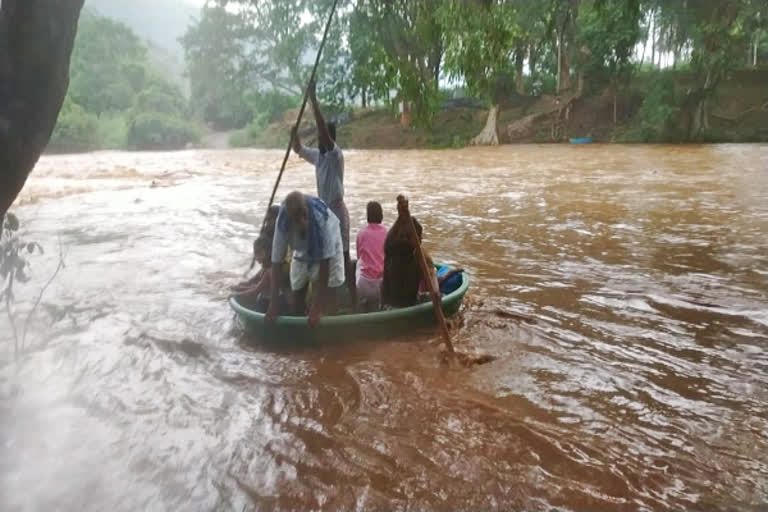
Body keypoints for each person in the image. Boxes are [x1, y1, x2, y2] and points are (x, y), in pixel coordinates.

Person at [290, 79, 354, 305]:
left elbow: (323, 132)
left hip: (337, 208)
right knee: (326, 254)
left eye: (322, 137)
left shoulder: (335, 155)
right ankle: (326, 296)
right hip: (324, 212)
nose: (319, 139)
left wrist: (313, 99)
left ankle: (352, 300)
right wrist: (294, 136)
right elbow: (298, 149)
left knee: (344, 256)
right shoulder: (318, 156)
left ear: (330, 139)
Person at [266, 191, 344, 326]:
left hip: (328, 246)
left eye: (304, 217)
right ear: (291, 219)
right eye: (297, 220)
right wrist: (273, 304)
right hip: (301, 249)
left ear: (307, 211)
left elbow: (325, 267)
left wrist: (317, 307)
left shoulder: (321, 219)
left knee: (330, 292)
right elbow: (276, 263)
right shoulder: (283, 222)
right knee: (297, 291)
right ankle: (301, 323)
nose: (302, 222)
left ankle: (331, 326)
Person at [381, 195, 434, 308]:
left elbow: (432, 281)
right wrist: (401, 217)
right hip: (403, 305)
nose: (421, 240)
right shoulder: (397, 253)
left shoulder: (391, 250)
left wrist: (401, 216)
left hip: (391, 303)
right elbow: (432, 279)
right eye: (419, 238)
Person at [355, 201, 387, 312]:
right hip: (381, 284)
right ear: (381, 216)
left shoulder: (361, 233)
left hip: (364, 284)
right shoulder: (386, 233)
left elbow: (359, 256)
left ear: (367, 217)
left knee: (359, 263)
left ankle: (360, 306)